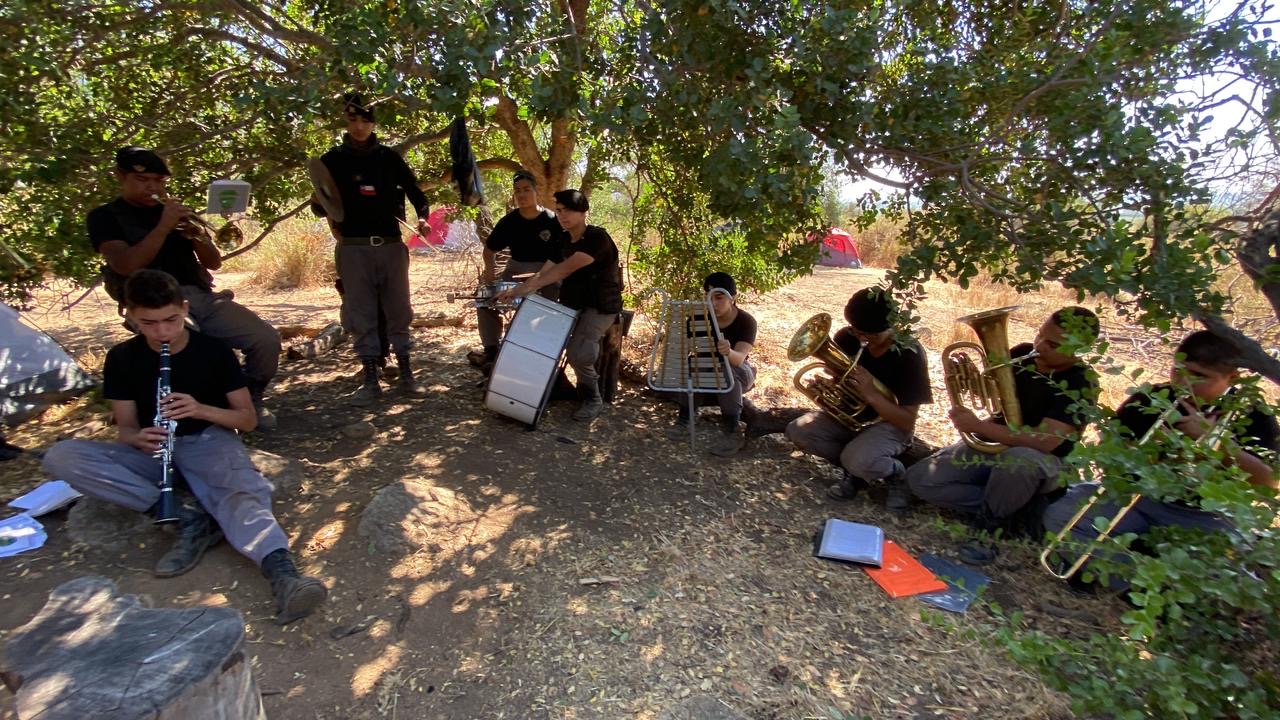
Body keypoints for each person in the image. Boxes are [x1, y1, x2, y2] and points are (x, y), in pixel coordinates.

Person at [41, 270, 327, 624]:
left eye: (171, 320)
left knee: (241, 489)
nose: (162, 332)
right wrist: (137, 438)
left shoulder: (213, 351)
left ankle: (283, 574)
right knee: (62, 456)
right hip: (153, 450)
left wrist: (199, 409)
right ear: (131, 316)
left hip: (207, 441)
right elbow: (126, 429)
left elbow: (247, 420)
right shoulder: (121, 357)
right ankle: (185, 516)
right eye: (149, 323)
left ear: (185, 309)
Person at [1042, 330, 1278, 591]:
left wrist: (1217, 443)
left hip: (1208, 515)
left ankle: (1150, 580)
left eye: (1198, 376)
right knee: (1061, 516)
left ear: (1232, 377)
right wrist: (1147, 452)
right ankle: (1150, 586)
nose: (1183, 383)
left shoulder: (1253, 414)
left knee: (1228, 569)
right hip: (1138, 500)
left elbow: (1268, 482)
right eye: (1178, 371)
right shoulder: (1149, 398)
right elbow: (1110, 462)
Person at [89, 146, 281, 429]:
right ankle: (197, 414)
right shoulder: (105, 216)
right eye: (142, 180)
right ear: (121, 176)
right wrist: (163, 227)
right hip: (151, 303)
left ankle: (249, 398)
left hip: (198, 296)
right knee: (188, 344)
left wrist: (196, 234)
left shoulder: (173, 213)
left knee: (265, 338)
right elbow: (125, 265)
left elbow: (214, 262)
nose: (152, 187)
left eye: (159, 181)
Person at [907, 306, 1100, 564]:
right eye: (1040, 334)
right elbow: (992, 399)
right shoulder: (1021, 354)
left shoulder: (1082, 382)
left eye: (1052, 344)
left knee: (1019, 460)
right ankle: (1015, 508)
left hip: (1044, 461)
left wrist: (979, 427)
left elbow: (1046, 441)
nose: (1040, 345)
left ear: (1079, 348)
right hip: (996, 444)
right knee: (920, 480)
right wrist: (968, 379)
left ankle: (991, 529)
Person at [316, 93, 431, 405]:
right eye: (353, 119)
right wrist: (320, 202)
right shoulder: (332, 160)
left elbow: (415, 192)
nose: (359, 126)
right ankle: (370, 379)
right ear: (345, 120)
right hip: (353, 248)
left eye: (365, 120)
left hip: (391, 246)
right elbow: (321, 205)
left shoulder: (388, 158)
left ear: (373, 123)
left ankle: (406, 374)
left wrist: (422, 218)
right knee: (361, 313)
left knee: (399, 310)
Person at [785, 287, 932, 510]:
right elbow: (842, 383)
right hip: (852, 418)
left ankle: (895, 474)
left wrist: (870, 394)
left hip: (889, 423)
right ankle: (854, 470)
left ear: (891, 327)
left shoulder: (910, 354)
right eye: (858, 332)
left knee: (858, 459)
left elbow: (907, 421)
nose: (863, 340)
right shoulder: (847, 338)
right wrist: (828, 388)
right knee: (799, 431)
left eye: (871, 336)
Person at [496, 189, 623, 421]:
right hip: (572, 304)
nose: (563, 216)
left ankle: (592, 398)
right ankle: (558, 386)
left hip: (601, 306)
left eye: (569, 210)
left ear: (583, 212)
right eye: (559, 210)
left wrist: (522, 289)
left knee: (579, 353)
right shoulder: (562, 240)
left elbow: (562, 270)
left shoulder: (597, 238)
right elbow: (545, 271)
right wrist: (516, 290)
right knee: (541, 341)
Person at [466, 169, 564, 372]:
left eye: (526, 189)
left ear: (536, 191)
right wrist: (490, 275)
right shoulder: (509, 221)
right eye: (517, 190)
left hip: (546, 273)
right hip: (515, 269)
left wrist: (539, 279)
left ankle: (533, 354)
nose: (522, 194)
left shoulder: (552, 220)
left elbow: (560, 257)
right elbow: (489, 250)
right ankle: (491, 350)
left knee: (538, 307)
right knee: (486, 299)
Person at [663, 272, 758, 457]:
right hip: (706, 371)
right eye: (708, 297)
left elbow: (739, 359)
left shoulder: (746, 321)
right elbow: (685, 355)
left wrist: (728, 352)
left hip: (738, 372)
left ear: (733, 298)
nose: (713, 303)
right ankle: (686, 418)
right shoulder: (697, 320)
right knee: (691, 365)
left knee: (725, 368)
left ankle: (732, 430)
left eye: (719, 297)